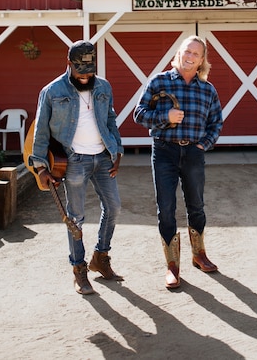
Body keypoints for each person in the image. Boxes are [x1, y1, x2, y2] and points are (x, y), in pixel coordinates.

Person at [29, 40, 124, 295]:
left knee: (114, 207)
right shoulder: (51, 91)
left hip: (103, 157)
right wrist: (40, 167)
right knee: (76, 218)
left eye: (90, 70)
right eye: (80, 70)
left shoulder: (103, 86)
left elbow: (111, 120)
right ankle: (79, 269)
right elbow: (40, 131)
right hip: (73, 161)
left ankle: (100, 257)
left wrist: (118, 151)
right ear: (68, 63)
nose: (86, 75)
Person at [133, 35, 223, 289]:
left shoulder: (207, 89)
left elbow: (217, 122)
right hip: (164, 151)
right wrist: (166, 116)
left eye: (196, 53)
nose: (190, 56)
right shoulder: (159, 81)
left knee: (197, 205)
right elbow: (139, 114)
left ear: (202, 60)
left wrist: (203, 145)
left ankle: (199, 255)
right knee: (166, 207)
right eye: (187, 51)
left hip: (193, 153)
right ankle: (172, 267)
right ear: (178, 53)